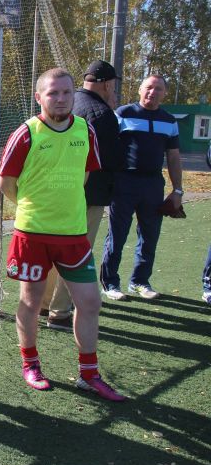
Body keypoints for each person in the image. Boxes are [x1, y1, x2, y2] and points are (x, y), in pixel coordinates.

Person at [0, 67, 125, 402]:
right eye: (52, 93)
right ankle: (31, 364)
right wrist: (34, 207)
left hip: (73, 234)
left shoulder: (85, 130)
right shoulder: (26, 133)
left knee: (90, 302)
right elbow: (6, 184)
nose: (60, 99)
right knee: (31, 301)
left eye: (66, 92)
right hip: (33, 234)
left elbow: (84, 175)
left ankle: (89, 374)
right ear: (39, 97)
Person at [41, 60, 121, 331]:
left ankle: (44, 303)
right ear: (107, 84)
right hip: (87, 196)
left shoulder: (65, 105)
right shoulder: (102, 114)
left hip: (55, 193)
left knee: (53, 250)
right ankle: (60, 312)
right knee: (75, 255)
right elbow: (108, 161)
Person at [100, 74, 183, 300]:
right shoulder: (123, 113)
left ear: (165, 93)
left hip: (153, 184)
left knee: (150, 236)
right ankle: (110, 283)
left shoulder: (169, 121)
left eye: (158, 89)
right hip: (124, 182)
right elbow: (107, 147)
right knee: (117, 235)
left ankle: (139, 281)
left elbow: (173, 157)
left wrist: (178, 190)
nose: (152, 92)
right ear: (139, 89)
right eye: (148, 87)